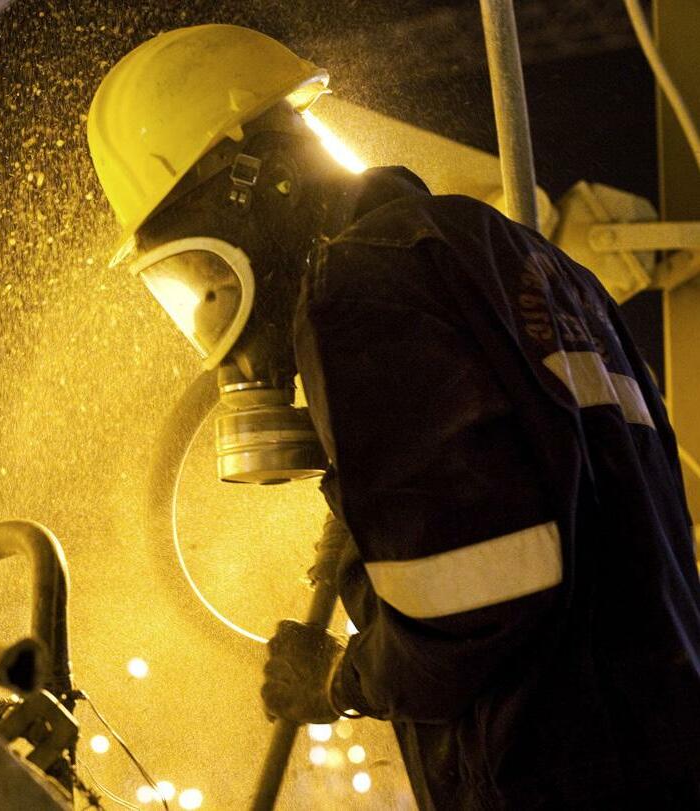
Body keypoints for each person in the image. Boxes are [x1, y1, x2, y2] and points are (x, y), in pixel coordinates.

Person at [88, 24, 700, 810]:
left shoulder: (357, 285)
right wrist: (368, 502)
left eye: (203, 265)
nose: (211, 303)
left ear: (266, 181)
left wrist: (337, 679)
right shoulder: (526, 258)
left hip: (558, 771)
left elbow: (478, 603)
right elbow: (548, 498)